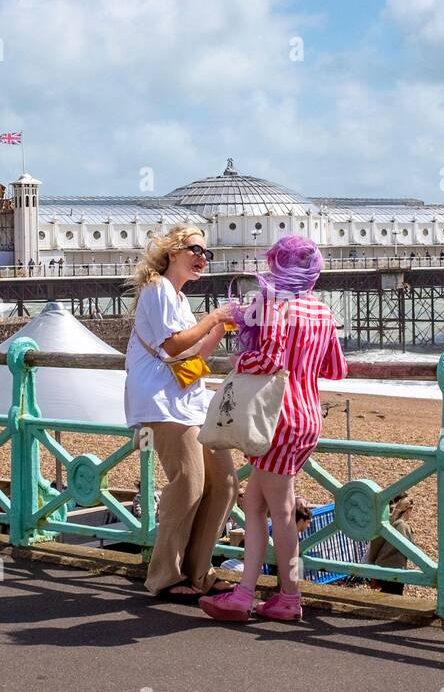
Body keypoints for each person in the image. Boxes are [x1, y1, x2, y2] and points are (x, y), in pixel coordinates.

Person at [200, 236, 347, 623]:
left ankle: (279, 596)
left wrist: (239, 359)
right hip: (308, 417)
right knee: (257, 505)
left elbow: (268, 358)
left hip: (276, 418)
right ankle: (255, 593)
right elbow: (336, 369)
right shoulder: (322, 312)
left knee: (277, 511)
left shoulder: (274, 304)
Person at [125, 225, 238, 601]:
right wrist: (212, 317)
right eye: (195, 250)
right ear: (173, 252)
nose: (202, 258)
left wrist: (219, 328)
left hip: (188, 399)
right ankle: (163, 576)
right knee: (188, 483)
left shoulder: (180, 300)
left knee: (223, 483)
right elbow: (173, 347)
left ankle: (198, 571)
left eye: (207, 253)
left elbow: (192, 358)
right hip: (159, 401)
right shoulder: (156, 289)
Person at [365, 493, 415, 595]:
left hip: (380, 565)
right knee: (394, 595)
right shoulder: (403, 526)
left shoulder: (385, 524)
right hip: (395, 569)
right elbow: (411, 549)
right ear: (409, 510)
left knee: (386, 592)